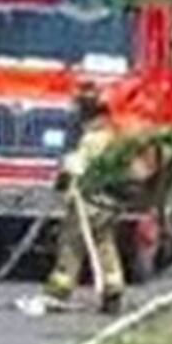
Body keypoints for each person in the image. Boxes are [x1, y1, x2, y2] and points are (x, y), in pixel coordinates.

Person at [45, 82, 126, 313]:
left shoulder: (91, 140)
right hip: (109, 202)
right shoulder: (113, 137)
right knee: (104, 243)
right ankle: (113, 287)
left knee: (71, 242)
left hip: (88, 202)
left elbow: (76, 167)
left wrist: (63, 177)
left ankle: (59, 290)